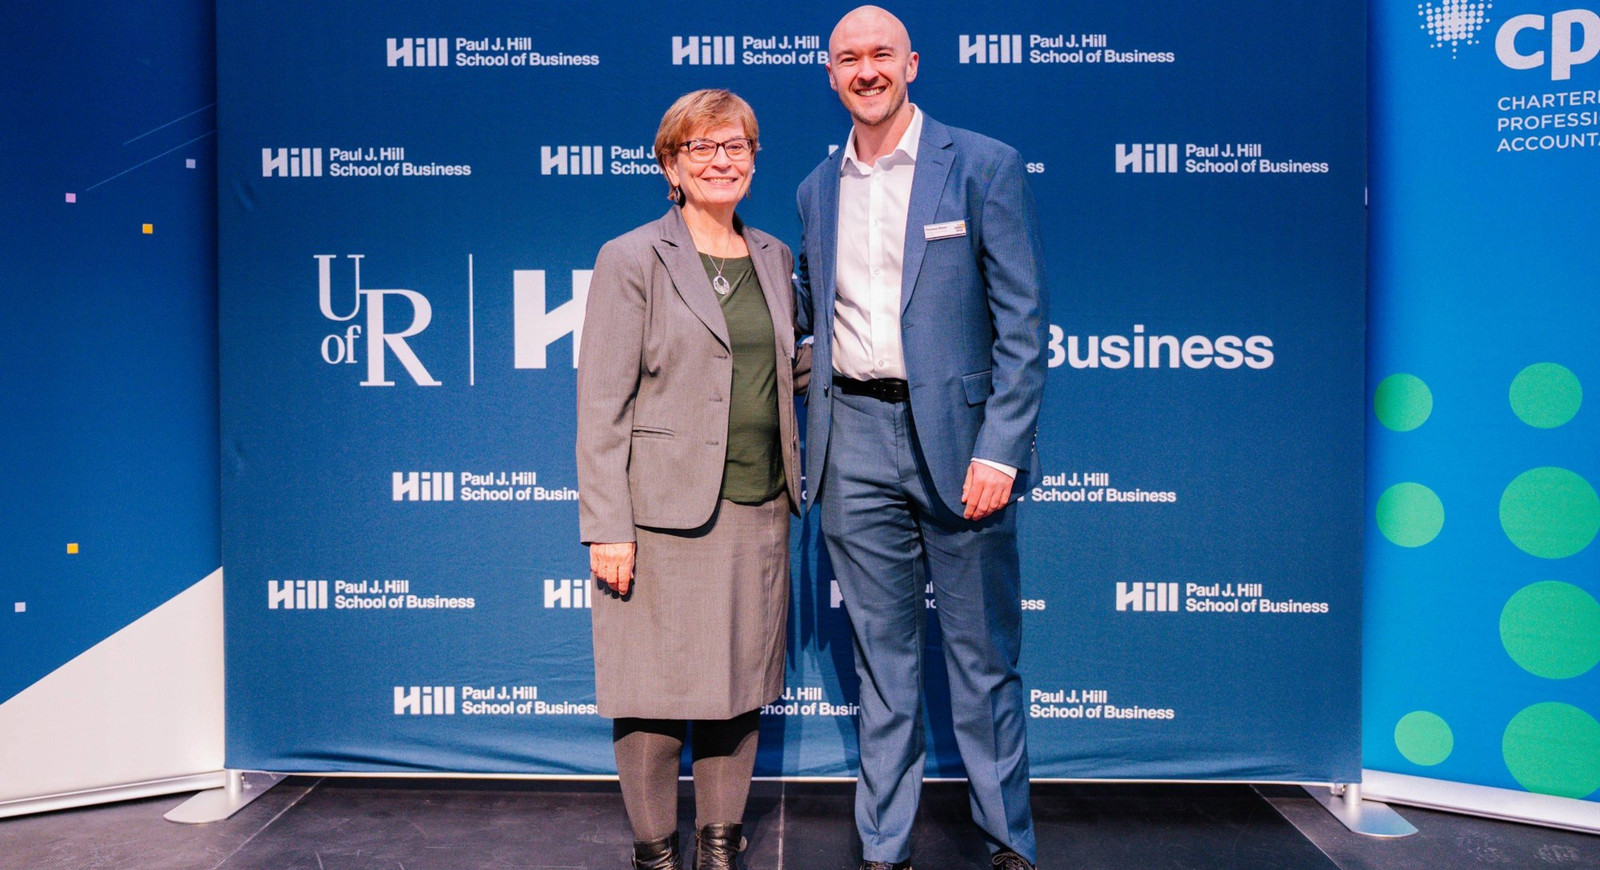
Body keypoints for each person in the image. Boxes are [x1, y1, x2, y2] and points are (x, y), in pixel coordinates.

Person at [794, 7, 1048, 870]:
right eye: (847, 58)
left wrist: (1000, 448)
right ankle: (883, 849)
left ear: (912, 64)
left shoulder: (982, 165)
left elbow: (1023, 326)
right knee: (884, 668)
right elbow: (816, 329)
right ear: (829, 74)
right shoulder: (815, 189)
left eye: (880, 55)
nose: (865, 71)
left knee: (982, 664)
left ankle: (1007, 843)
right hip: (854, 441)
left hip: (964, 446)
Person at [576, 89, 804, 870]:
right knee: (650, 691)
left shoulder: (775, 257)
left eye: (736, 145)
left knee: (735, 687)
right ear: (670, 163)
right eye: (701, 148)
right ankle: (654, 854)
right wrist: (608, 524)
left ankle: (717, 849)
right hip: (657, 514)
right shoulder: (632, 256)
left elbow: (791, 368)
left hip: (757, 502)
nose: (721, 161)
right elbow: (602, 401)